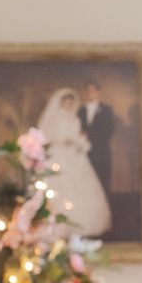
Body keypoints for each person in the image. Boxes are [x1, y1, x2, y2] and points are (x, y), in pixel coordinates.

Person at [34, 87, 110, 235]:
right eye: (66, 102)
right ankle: (56, 224)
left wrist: (80, 143)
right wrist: (63, 141)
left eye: (71, 102)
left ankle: (82, 222)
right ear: (61, 103)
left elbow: (78, 136)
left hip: (74, 154)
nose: (68, 105)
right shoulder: (55, 118)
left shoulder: (75, 118)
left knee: (81, 185)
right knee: (59, 185)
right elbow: (48, 135)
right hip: (59, 154)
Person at [79, 80, 119, 194]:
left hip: (101, 151)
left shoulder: (107, 109)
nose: (90, 93)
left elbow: (110, 130)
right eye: (88, 91)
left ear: (98, 92)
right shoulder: (81, 110)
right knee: (86, 180)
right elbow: (78, 129)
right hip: (84, 152)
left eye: (93, 90)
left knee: (103, 179)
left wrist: (94, 140)